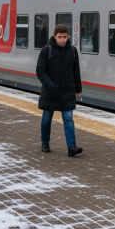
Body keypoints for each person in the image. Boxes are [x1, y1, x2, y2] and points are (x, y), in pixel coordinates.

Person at [36, 24, 83, 157]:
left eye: (64, 37)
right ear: (54, 36)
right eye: (60, 37)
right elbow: (40, 71)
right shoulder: (47, 50)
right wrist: (50, 86)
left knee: (68, 118)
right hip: (51, 91)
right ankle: (45, 142)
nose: (62, 40)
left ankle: (71, 147)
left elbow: (76, 71)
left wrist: (78, 88)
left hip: (67, 90)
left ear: (68, 36)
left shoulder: (73, 51)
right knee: (46, 118)